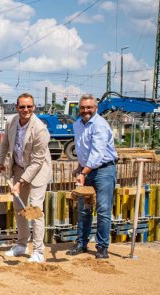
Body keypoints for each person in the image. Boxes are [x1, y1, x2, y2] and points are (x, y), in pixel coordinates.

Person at [0, 93, 52, 263]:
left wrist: (19, 183)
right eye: (22, 107)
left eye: (29, 106)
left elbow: (36, 162)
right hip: (19, 167)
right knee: (19, 208)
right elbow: (5, 143)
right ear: (16, 107)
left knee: (35, 209)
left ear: (34, 107)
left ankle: (39, 251)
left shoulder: (40, 129)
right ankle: (21, 244)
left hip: (39, 171)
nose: (26, 110)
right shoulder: (11, 122)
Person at [68, 94, 118, 259]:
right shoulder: (77, 125)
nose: (85, 110)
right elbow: (83, 151)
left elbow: (97, 154)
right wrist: (79, 167)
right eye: (82, 108)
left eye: (89, 107)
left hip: (104, 170)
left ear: (95, 108)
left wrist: (83, 173)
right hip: (88, 170)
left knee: (103, 209)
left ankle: (102, 247)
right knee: (84, 210)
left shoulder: (100, 125)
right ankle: (81, 244)